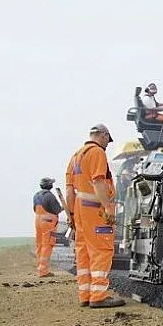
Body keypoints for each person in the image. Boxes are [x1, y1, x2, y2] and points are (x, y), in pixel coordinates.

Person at [64, 123, 125, 308]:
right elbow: (98, 181)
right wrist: (108, 208)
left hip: (80, 210)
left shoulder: (76, 156)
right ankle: (98, 296)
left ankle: (85, 294)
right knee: (101, 250)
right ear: (104, 135)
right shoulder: (97, 153)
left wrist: (72, 215)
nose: (107, 144)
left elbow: (69, 191)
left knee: (83, 252)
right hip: (95, 209)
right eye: (108, 140)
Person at [32, 177, 62, 278]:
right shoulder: (50, 196)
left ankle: (40, 268)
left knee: (39, 245)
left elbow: (34, 209)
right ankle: (43, 271)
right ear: (49, 185)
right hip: (48, 223)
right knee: (47, 245)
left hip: (38, 222)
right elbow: (57, 209)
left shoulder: (36, 195)